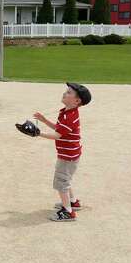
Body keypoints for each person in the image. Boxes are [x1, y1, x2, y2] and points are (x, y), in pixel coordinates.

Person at [33, 82, 92, 222]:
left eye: (69, 93)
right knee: (65, 179)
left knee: (61, 182)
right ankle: (73, 202)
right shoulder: (67, 112)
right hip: (69, 154)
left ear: (77, 101)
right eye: (66, 91)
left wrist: (38, 134)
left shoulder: (69, 117)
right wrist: (44, 120)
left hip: (68, 156)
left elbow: (57, 135)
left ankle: (68, 212)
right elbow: (59, 129)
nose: (65, 93)